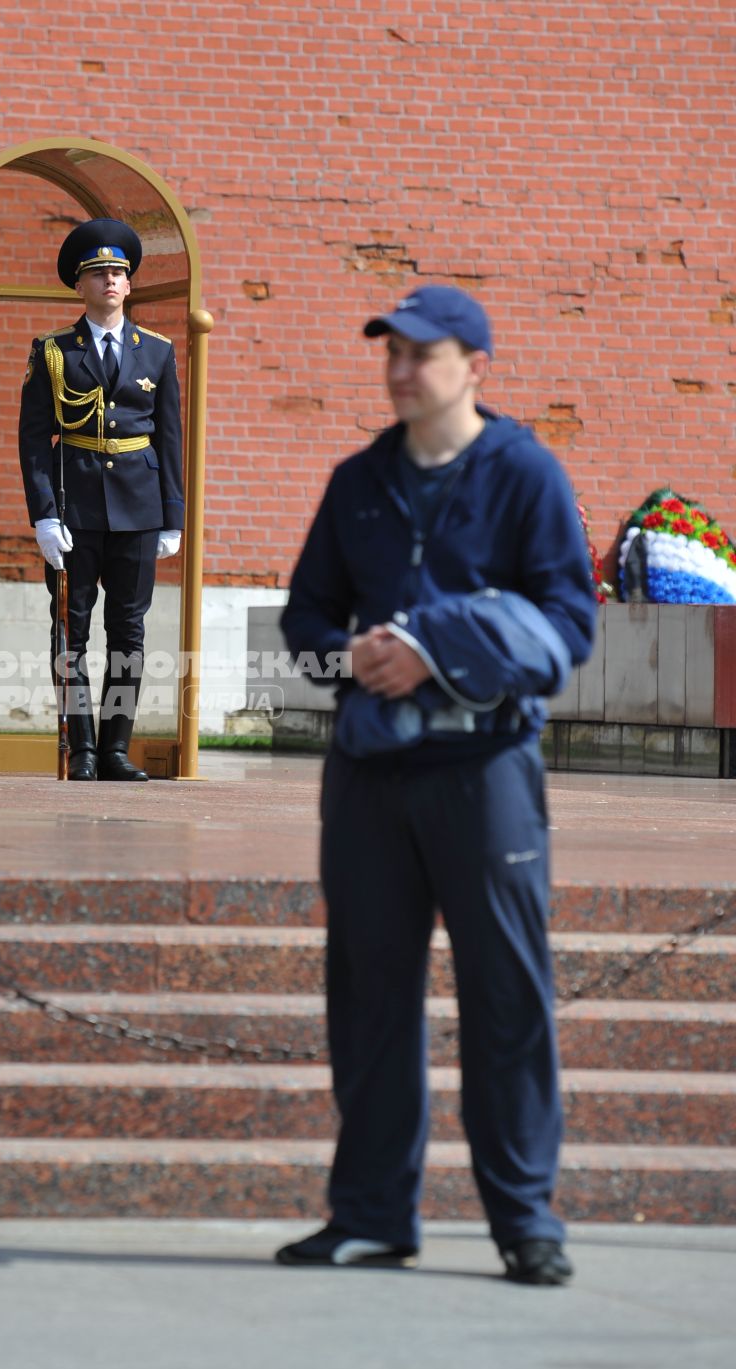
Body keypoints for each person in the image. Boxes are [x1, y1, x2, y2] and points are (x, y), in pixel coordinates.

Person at [277, 285, 597, 1285]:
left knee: (506, 997)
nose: (401, 370)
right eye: (392, 352)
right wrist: (356, 653)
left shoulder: (523, 474)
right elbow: (303, 619)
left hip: (484, 769)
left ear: (472, 364)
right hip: (369, 775)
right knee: (369, 997)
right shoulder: (356, 481)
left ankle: (523, 1218)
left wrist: (436, 649)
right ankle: (371, 1213)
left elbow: (568, 624)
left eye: (422, 353)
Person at [18, 218, 184, 780]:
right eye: (99, 273)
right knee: (72, 628)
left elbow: (170, 438)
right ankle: (81, 749)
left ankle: (115, 750)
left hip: (138, 508)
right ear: (80, 285)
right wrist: (43, 514)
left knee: (129, 632)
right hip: (76, 505)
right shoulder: (53, 351)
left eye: (118, 272)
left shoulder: (156, 353)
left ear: (130, 285)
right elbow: (34, 440)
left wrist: (173, 516)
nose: (111, 281)